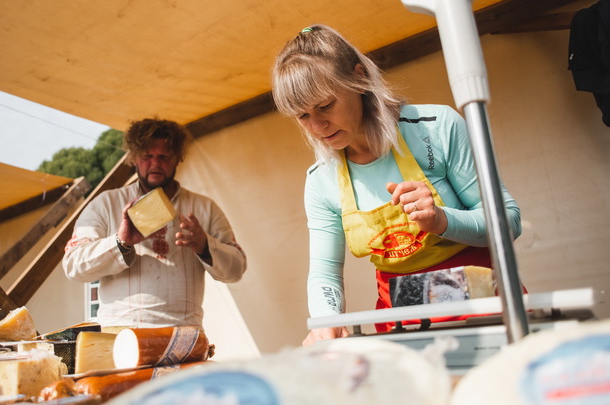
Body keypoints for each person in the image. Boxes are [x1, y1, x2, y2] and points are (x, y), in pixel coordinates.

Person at [271, 25, 522, 345]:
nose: (318, 127)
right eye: (302, 116)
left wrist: (442, 219)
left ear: (359, 78)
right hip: (403, 326)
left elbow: (509, 222)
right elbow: (325, 272)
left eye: (325, 106)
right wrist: (326, 320)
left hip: (485, 313)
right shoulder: (321, 180)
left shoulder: (437, 128)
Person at [63, 118, 247, 331]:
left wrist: (205, 246)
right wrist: (120, 243)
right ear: (134, 158)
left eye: (163, 156)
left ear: (178, 158)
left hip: (185, 333)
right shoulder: (106, 203)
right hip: (121, 334)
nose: (156, 163)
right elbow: (73, 266)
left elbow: (237, 268)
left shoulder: (204, 207)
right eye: (147, 156)